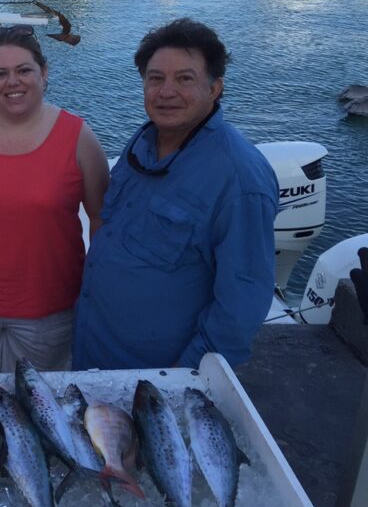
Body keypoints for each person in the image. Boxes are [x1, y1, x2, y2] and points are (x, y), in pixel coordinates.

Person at [73, 18, 279, 370]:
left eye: (184, 79)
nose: (166, 92)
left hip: (155, 379)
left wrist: (186, 380)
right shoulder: (144, 142)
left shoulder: (240, 179)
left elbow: (241, 306)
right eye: (156, 79)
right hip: (94, 353)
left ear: (214, 89)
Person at [0, 24, 109, 373]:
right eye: (0, 73)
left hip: (49, 314)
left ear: (44, 73)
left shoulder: (79, 137)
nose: (12, 81)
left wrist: (98, 296)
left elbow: (101, 223)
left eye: (24, 70)